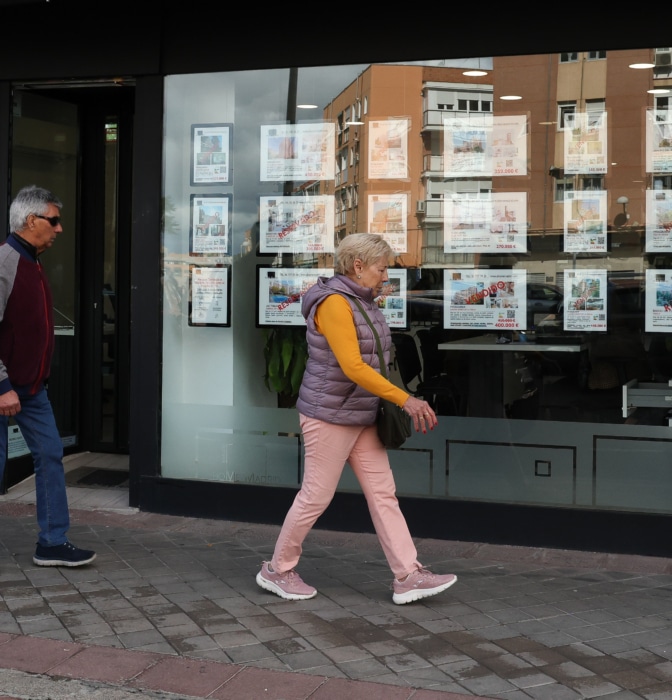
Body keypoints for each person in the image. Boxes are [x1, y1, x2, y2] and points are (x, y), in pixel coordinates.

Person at [256, 233, 456, 604]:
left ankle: (408, 575)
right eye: (381, 269)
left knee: (384, 494)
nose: (386, 277)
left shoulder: (361, 301)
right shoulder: (334, 304)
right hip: (331, 415)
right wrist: (405, 400)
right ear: (357, 266)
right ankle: (277, 569)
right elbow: (352, 366)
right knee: (316, 495)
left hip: (361, 413)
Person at [0, 185, 96, 567]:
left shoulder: (34, 263)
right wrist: (3, 385)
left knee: (51, 455)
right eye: (53, 220)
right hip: (5, 387)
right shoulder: (5, 263)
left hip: (32, 388)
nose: (59, 229)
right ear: (31, 220)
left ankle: (52, 542)